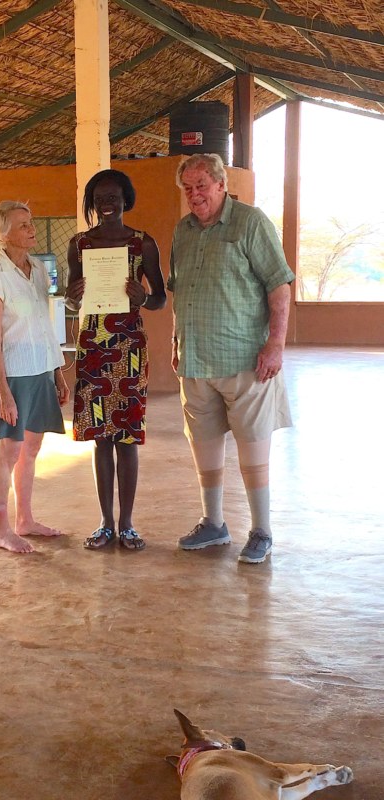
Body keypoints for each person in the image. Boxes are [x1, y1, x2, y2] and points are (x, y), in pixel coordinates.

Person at [168, 153, 294, 563]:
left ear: (221, 184)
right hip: (196, 361)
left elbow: (279, 288)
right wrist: (175, 341)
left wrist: (275, 344)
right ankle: (213, 523)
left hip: (246, 361)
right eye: (187, 188)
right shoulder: (182, 231)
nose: (194, 194)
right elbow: (180, 292)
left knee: (253, 450)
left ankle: (261, 530)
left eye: (201, 185)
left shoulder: (250, 223)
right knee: (204, 447)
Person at [65, 169, 166, 551]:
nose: (107, 203)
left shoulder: (143, 244)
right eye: (100, 198)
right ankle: (105, 523)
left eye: (114, 196)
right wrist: (73, 296)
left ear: (126, 199)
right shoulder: (80, 244)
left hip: (129, 350)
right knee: (100, 440)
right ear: (92, 203)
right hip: (93, 347)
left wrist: (143, 298)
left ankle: (128, 524)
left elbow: (159, 298)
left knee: (126, 438)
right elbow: (73, 300)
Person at [0, 201, 70, 554]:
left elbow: (45, 327)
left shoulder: (40, 270)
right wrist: (4, 393)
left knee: (32, 448)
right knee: (8, 452)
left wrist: (57, 373)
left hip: (41, 369)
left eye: (30, 223)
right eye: (23, 225)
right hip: (14, 375)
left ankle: (24, 519)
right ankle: (1, 529)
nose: (31, 229)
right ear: (3, 234)